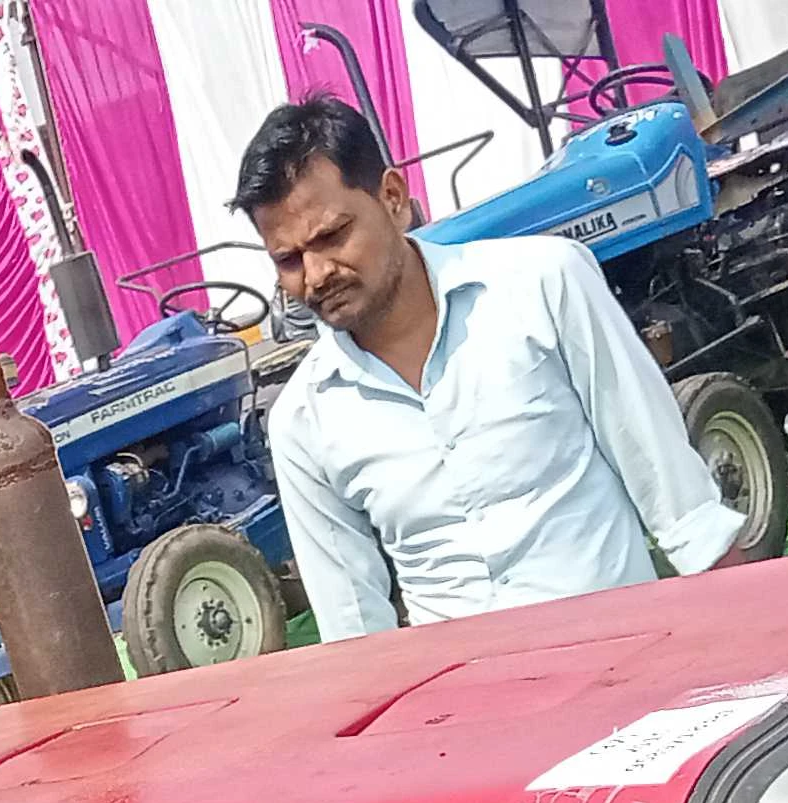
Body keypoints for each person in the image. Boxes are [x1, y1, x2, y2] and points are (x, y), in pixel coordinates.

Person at [238, 96, 741, 633]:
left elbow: (681, 504)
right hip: (468, 704)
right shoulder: (302, 421)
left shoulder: (547, 284)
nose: (315, 275)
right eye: (288, 260)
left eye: (332, 236)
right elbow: (353, 631)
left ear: (392, 197)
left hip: (629, 659)